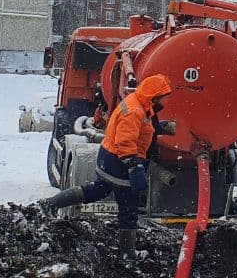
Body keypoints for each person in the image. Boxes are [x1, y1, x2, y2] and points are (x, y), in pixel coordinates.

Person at [40, 74, 174, 256]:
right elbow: (125, 141)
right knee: (129, 208)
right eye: (165, 96)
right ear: (155, 95)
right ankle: (127, 253)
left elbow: (137, 129)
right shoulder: (135, 110)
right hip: (120, 163)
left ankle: (51, 204)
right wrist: (135, 168)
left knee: (98, 190)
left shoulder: (139, 103)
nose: (167, 100)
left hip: (110, 158)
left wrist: (158, 128)